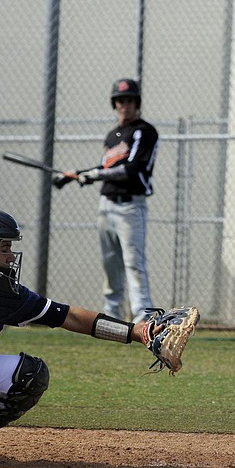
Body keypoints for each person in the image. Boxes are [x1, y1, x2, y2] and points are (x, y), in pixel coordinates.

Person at [0, 205, 159, 463]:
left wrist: (137, 332)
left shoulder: (3, 294)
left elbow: (68, 316)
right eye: (4, 248)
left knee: (30, 375)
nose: (11, 257)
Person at [58, 78, 159, 323]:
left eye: (130, 100)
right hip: (107, 205)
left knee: (134, 261)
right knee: (110, 262)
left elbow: (132, 168)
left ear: (137, 103)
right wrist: (74, 175)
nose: (125, 105)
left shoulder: (144, 131)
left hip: (130, 206)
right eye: (121, 100)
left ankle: (142, 316)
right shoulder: (113, 135)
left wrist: (94, 175)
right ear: (115, 104)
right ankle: (112, 315)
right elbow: (106, 166)